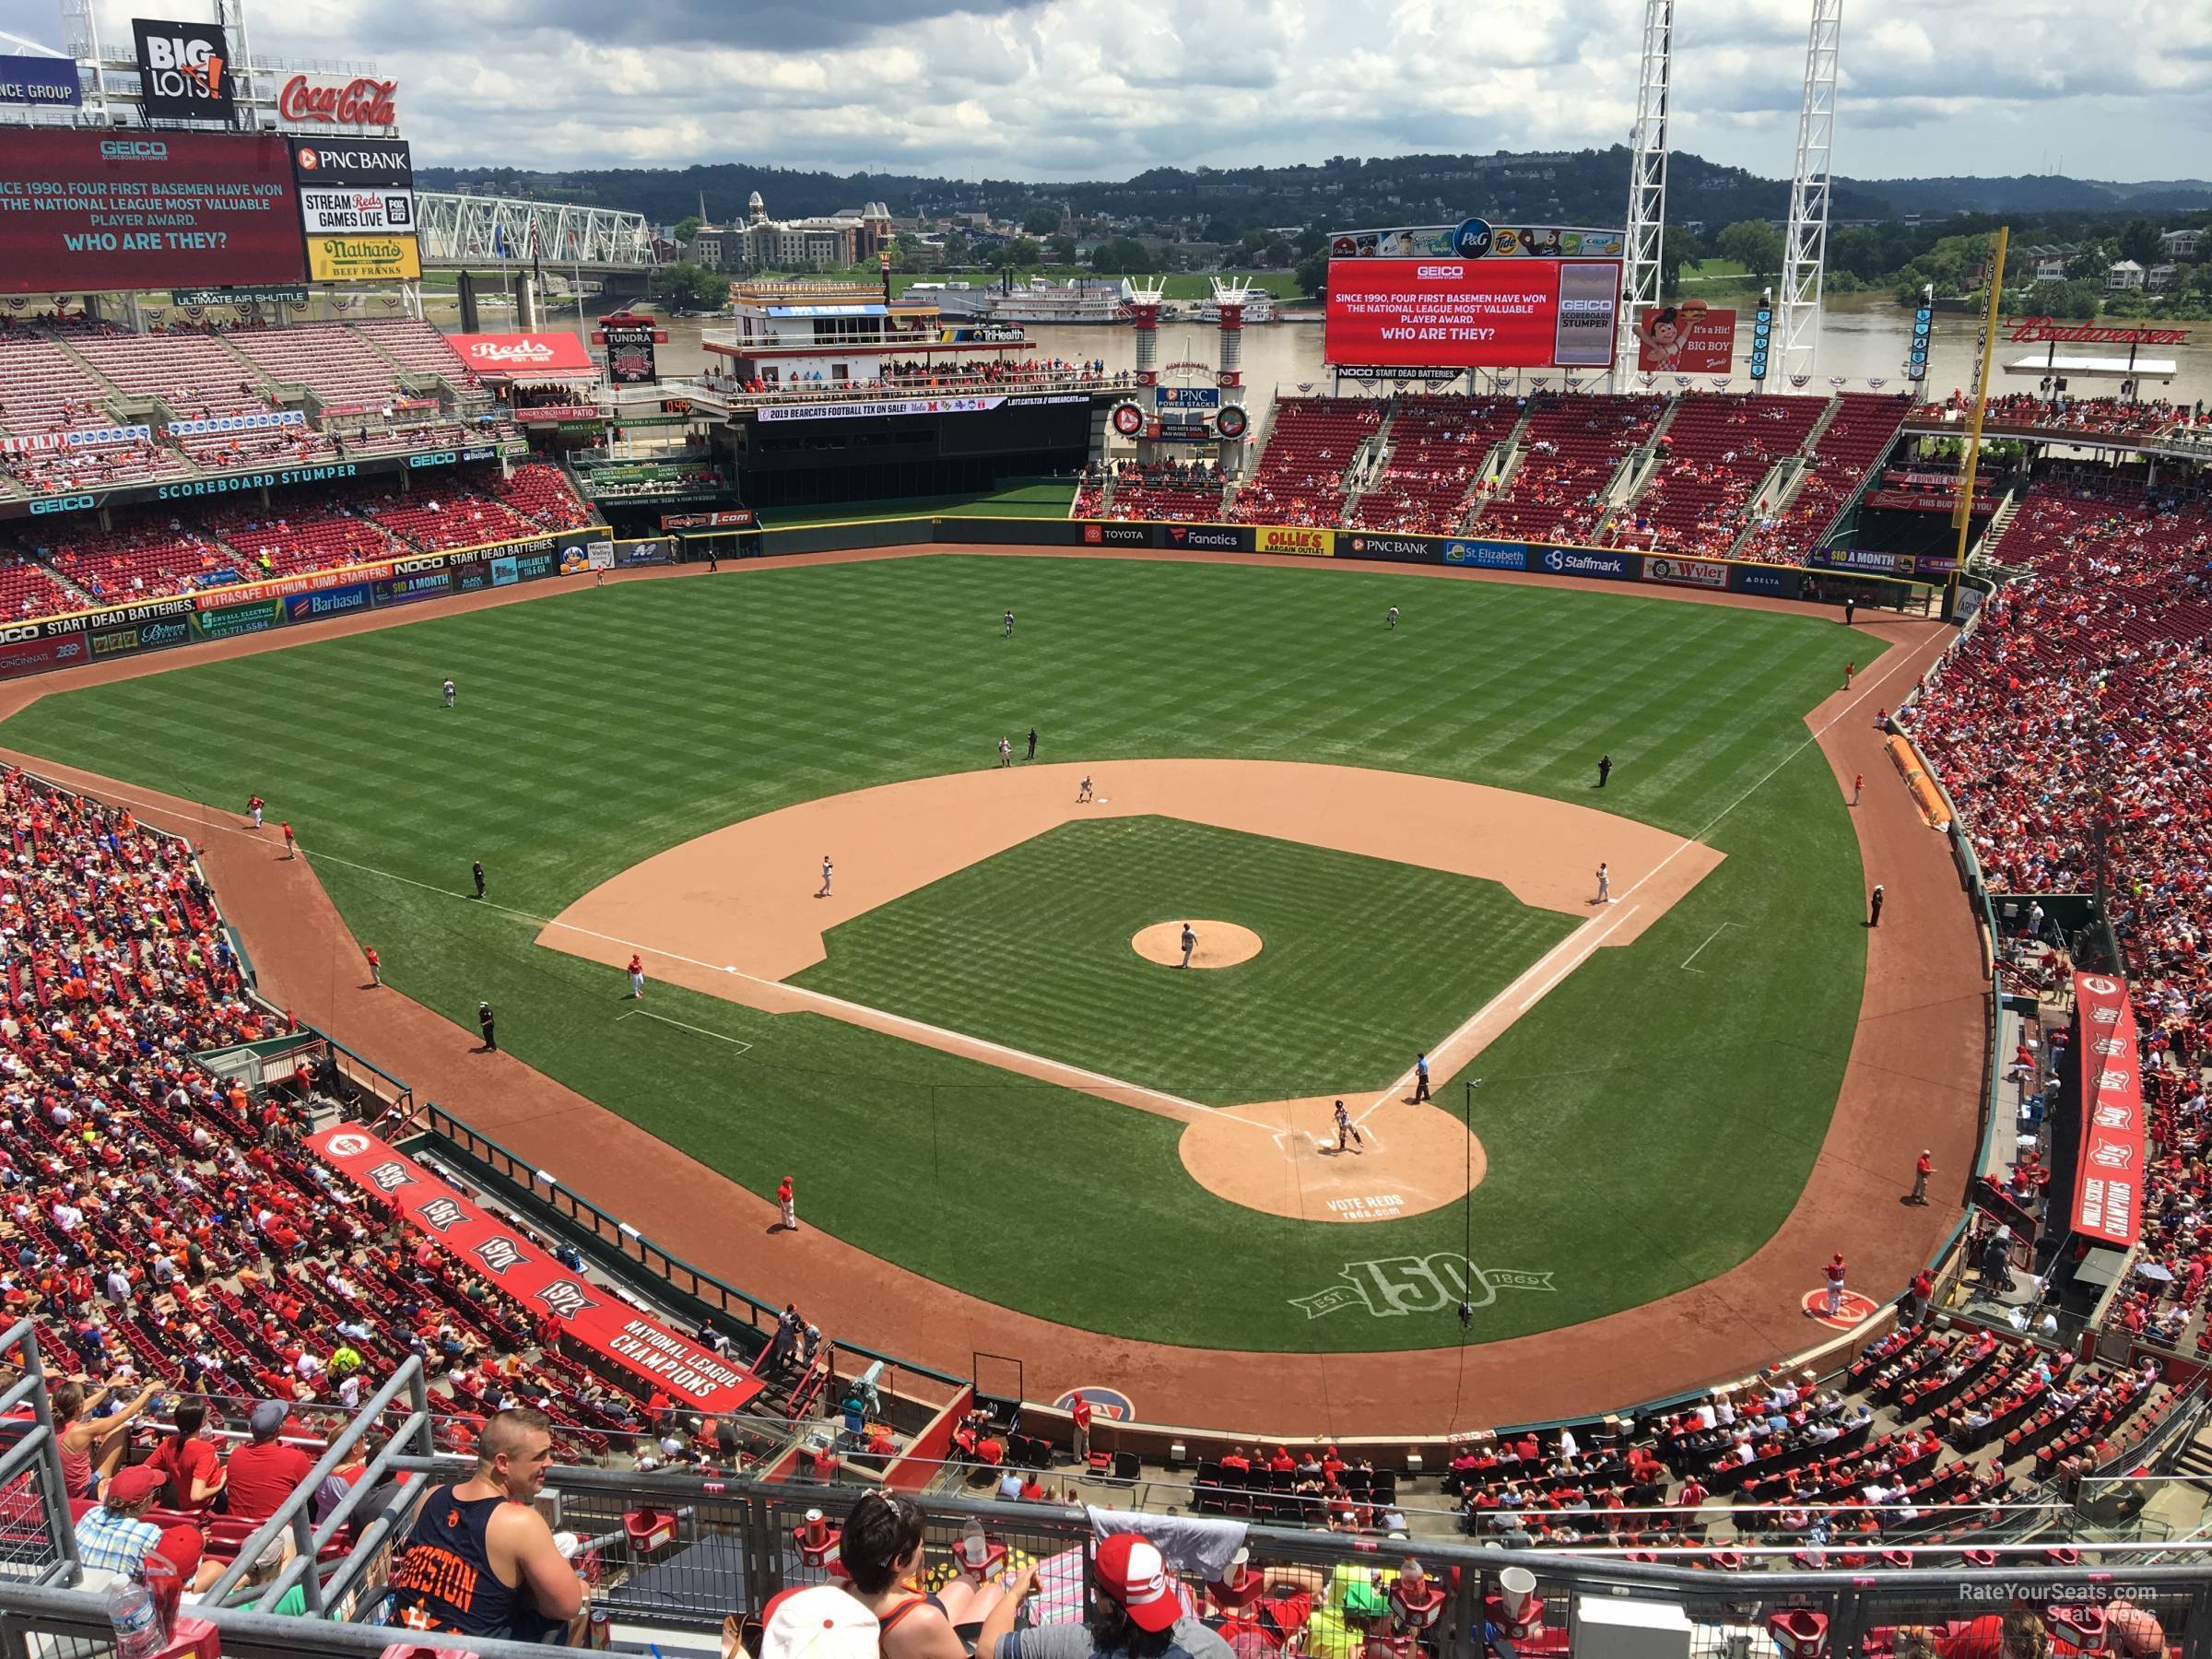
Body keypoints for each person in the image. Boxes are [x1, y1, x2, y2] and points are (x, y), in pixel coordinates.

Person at [387, 1407, 585, 1644]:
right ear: (502, 1463)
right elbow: (568, 1606)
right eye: (539, 1456)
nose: (549, 1462)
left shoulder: (431, 1496)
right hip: (472, 1651)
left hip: (402, 1644)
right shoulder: (520, 1522)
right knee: (581, 1591)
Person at [980, 1530, 1233, 1659]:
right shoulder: (1211, 1648)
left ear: (1109, 1605)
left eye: (1095, 1586)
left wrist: (1014, 1595)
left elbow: (987, 1650)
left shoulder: (1078, 1644)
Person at [54, 1379, 159, 1500]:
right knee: (120, 1428)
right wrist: (149, 1390)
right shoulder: (82, 1431)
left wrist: (108, 1389)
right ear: (79, 1405)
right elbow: (128, 1413)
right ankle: (109, 1485)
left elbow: (81, 1406)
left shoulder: (51, 1423)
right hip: (84, 1490)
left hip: (62, 1488)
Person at [226, 1400, 313, 1524]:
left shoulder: (236, 1454)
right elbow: (312, 1494)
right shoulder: (296, 1458)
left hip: (239, 1529)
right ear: (280, 1428)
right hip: (277, 1534)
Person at [75, 1463, 171, 1576]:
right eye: (154, 1492)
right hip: (118, 1592)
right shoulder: (149, 1534)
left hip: (74, 1590)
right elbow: (165, 1574)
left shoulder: (92, 1514)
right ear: (145, 1501)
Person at [146, 1398, 226, 1514]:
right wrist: (222, 1484)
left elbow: (145, 1469)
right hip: (205, 1508)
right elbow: (196, 1496)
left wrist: (169, 1475)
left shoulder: (169, 1442)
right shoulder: (205, 1449)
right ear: (203, 1421)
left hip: (183, 1504)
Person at [1070, 1394, 1095, 1464]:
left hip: (1079, 1429)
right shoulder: (1086, 1405)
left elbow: (1078, 1422)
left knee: (1077, 1444)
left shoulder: (1076, 1410)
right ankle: (1086, 1455)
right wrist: (1086, 1427)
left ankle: (1077, 1459)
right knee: (1086, 1441)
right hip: (1086, 1427)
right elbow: (1090, 1416)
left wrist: (1082, 1429)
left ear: (1075, 1400)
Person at [1822, 1253, 1848, 1318]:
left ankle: (1829, 1312)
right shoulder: (1844, 1265)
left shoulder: (1832, 1266)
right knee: (1837, 1297)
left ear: (1835, 1259)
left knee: (1831, 1297)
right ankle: (1836, 1311)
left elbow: (1827, 1269)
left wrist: (1824, 1267)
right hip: (1841, 1283)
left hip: (1833, 1283)